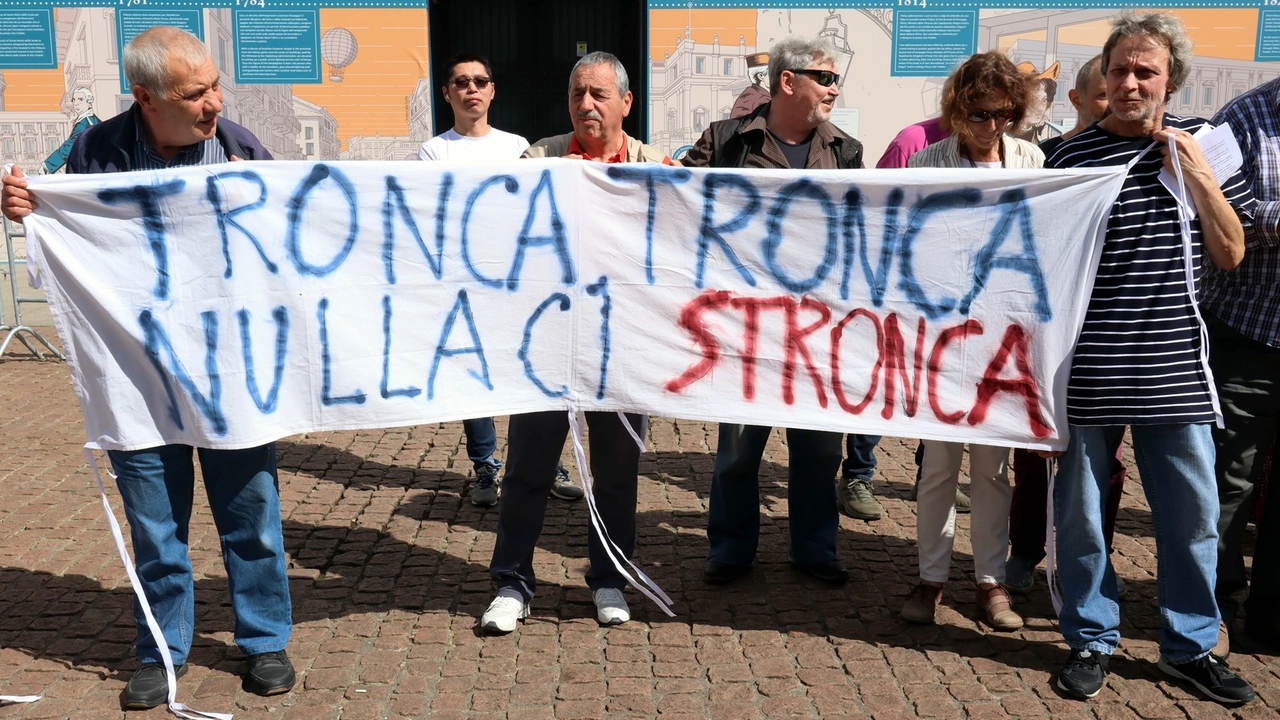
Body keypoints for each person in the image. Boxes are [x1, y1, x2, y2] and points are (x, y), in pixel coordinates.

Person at [2, 26, 295, 709]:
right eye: (195, 94)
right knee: (155, 524)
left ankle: (264, 640)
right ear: (145, 98)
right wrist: (26, 211)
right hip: (136, 376)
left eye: (216, 85)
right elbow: (67, 241)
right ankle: (161, 647)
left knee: (251, 515)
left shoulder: (239, 149)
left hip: (230, 373)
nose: (215, 102)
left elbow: (287, 242)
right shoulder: (95, 153)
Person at [1044, 11, 1256, 705]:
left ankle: (1190, 647)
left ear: (1171, 82)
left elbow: (1230, 253)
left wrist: (1198, 178)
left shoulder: (1204, 148)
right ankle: (1090, 639)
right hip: (1085, 370)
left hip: (1173, 370)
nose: (1130, 83)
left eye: (1146, 72)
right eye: (1119, 71)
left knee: (1192, 519)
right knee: (1079, 518)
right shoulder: (1068, 160)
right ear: (1102, 78)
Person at [480, 51, 675, 634]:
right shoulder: (536, 159)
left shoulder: (657, 167)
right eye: (576, 95)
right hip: (548, 342)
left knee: (617, 473)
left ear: (626, 103)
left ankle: (609, 579)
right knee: (527, 469)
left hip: (624, 347)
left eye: (598, 94)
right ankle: (512, 583)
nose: (586, 105)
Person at [681, 36, 863, 588]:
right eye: (825, 78)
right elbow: (676, 206)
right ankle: (731, 548)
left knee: (818, 446)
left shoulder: (847, 150)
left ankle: (815, 548)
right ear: (789, 81)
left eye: (836, 79)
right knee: (738, 447)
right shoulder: (726, 140)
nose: (835, 88)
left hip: (818, 326)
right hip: (745, 327)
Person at [898, 51, 1042, 632]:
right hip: (941, 336)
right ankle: (930, 578)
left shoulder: (1031, 158)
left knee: (992, 469)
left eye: (1004, 114)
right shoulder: (929, 160)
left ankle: (990, 582)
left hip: (1003, 339)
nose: (991, 127)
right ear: (959, 111)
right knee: (937, 466)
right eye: (980, 115)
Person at [416, 51, 583, 506]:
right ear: (447, 92)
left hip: (518, 278)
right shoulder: (434, 151)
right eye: (462, 82)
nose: (472, 88)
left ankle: (544, 462)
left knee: (530, 368)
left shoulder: (517, 146)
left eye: (480, 81)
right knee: (475, 373)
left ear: (492, 90)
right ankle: (486, 466)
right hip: (463, 280)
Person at [1004, 53, 1124, 597]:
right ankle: (1025, 553)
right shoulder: (1049, 161)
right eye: (1101, 93)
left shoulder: (1143, 159)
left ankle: (1091, 562)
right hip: (1049, 333)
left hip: (1109, 335)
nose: (1113, 101)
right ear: (1078, 100)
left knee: (1107, 466)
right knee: (1035, 454)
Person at [1208, 76, 1280, 655]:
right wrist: (1275, 219)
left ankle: (1273, 615)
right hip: (1248, 334)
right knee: (1229, 480)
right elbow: (1208, 208)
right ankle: (1214, 607)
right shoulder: (1244, 117)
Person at [1038, 54, 1108, 156]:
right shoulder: (1044, 156)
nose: (1116, 105)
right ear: (1076, 99)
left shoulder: (1138, 155)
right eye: (1105, 95)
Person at [43, 87, 100, 174]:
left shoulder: (85, 123)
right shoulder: (92, 119)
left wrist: (47, 165)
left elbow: (69, 147)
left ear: (89, 102)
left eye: (80, 99)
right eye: (74, 99)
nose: (76, 103)